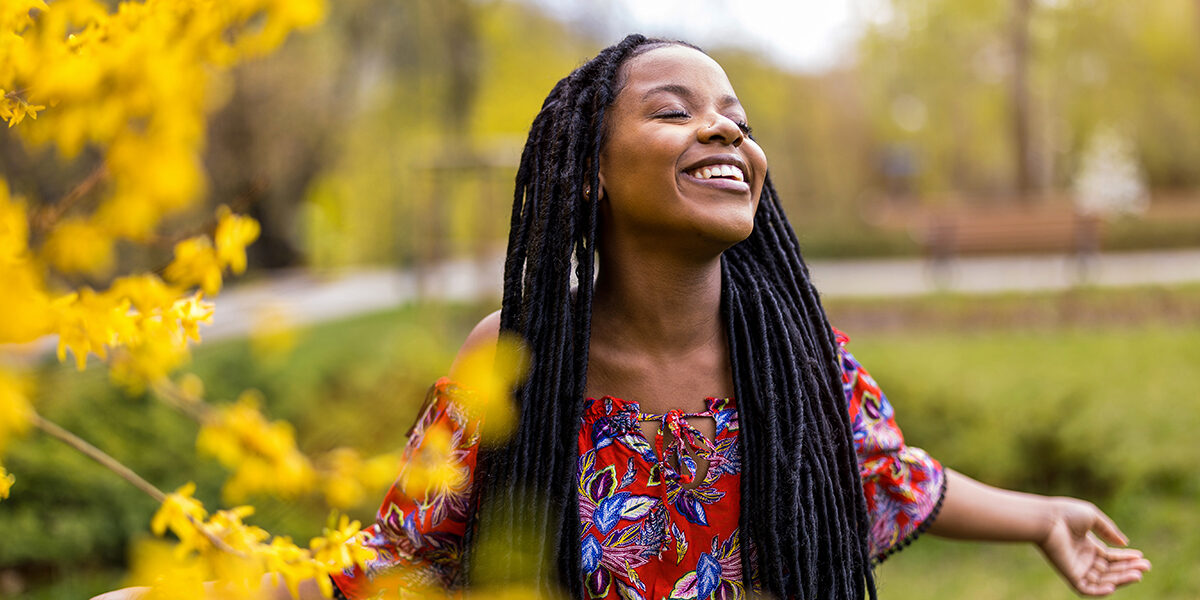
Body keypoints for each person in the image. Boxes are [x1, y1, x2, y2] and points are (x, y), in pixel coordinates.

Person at [95, 34, 1150, 600]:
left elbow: (881, 476)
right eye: (676, 111)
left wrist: (1040, 514)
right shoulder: (517, 359)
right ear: (588, 172)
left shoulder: (789, 351)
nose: (724, 132)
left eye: (738, 117)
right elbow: (398, 559)